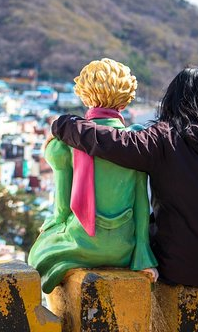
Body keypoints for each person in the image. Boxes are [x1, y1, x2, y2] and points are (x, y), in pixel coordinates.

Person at [51, 67, 198, 287]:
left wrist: (65, 124)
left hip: (181, 267)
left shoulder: (166, 137)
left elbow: (116, 143)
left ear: (172, 100)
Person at [28, 58, 158, 294]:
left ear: (85, 94)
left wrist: (53, 227)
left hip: (83, 243)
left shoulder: (68, 143)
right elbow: (142, 203)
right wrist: (143, 255)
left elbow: (62, 210)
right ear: (126, 97)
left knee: (39, 252)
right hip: (125, 248)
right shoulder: (136, 141)